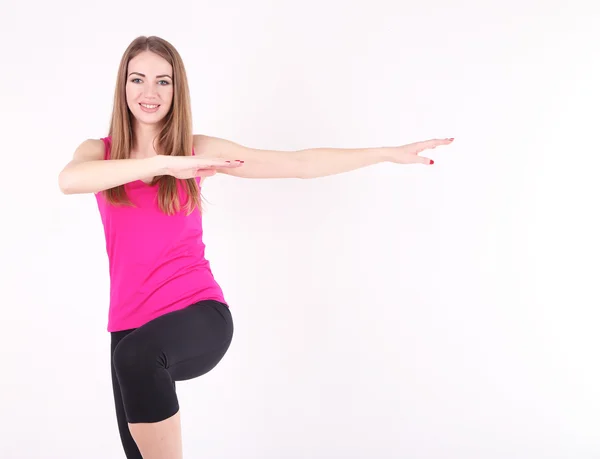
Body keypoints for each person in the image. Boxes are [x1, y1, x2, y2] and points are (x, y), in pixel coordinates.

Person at [58, 35, 454, 459]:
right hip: (129, 328)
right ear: (123, 87)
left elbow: (297, 164)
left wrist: (385, 153)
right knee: (133, 379)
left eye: (163, 81)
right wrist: (162, 165)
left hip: (197, 313)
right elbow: (69, 181)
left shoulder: (197, 150)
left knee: (137, 358)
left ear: (178, 90)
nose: (150, 93)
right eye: (138, 79)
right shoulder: (98, 154)